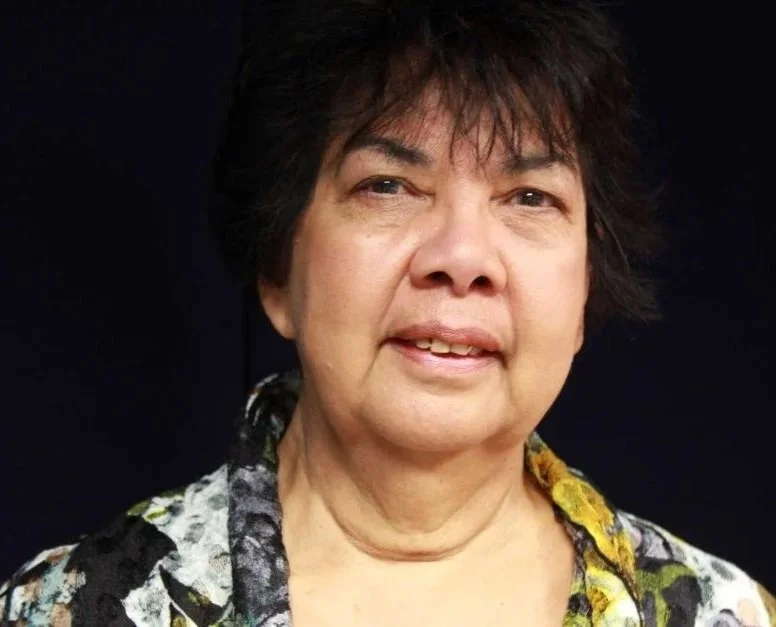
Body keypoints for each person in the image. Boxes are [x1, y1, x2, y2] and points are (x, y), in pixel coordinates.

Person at [1, 0, 773, 625]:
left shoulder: (722, 613)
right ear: (278, 268)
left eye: (529, 197)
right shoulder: (74, 607)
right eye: (388, 185)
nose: (462, 256)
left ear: (583, 292)